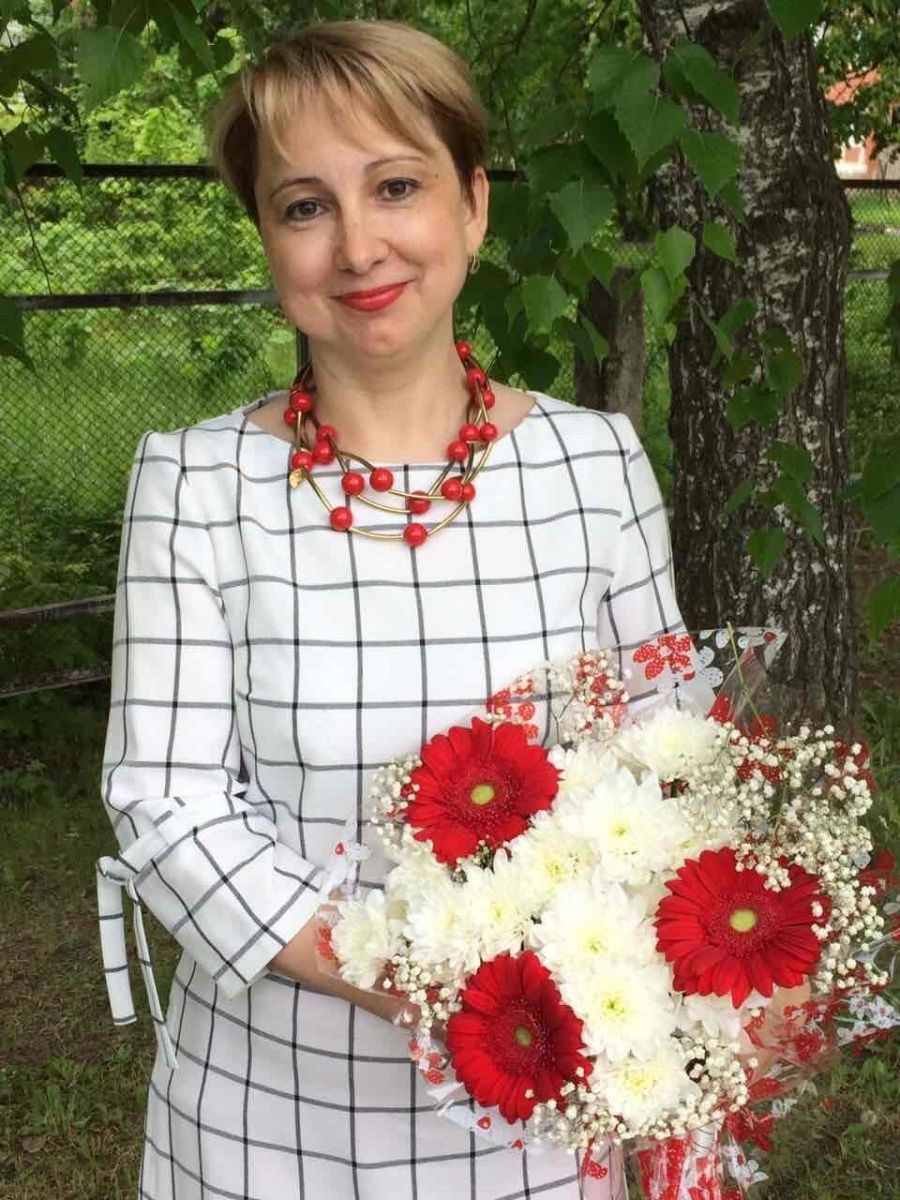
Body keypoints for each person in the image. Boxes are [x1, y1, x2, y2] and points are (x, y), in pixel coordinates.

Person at [95, 18, 714, 1200]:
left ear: (473, 207)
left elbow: (671, 755)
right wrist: (419, 975)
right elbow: (165, 803)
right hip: (273, 1117)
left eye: (395, 186)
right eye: (305, 205)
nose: (359, 245)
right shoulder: (197, 482)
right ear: (268, 239)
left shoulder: (596, 462)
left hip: (544, 1111)